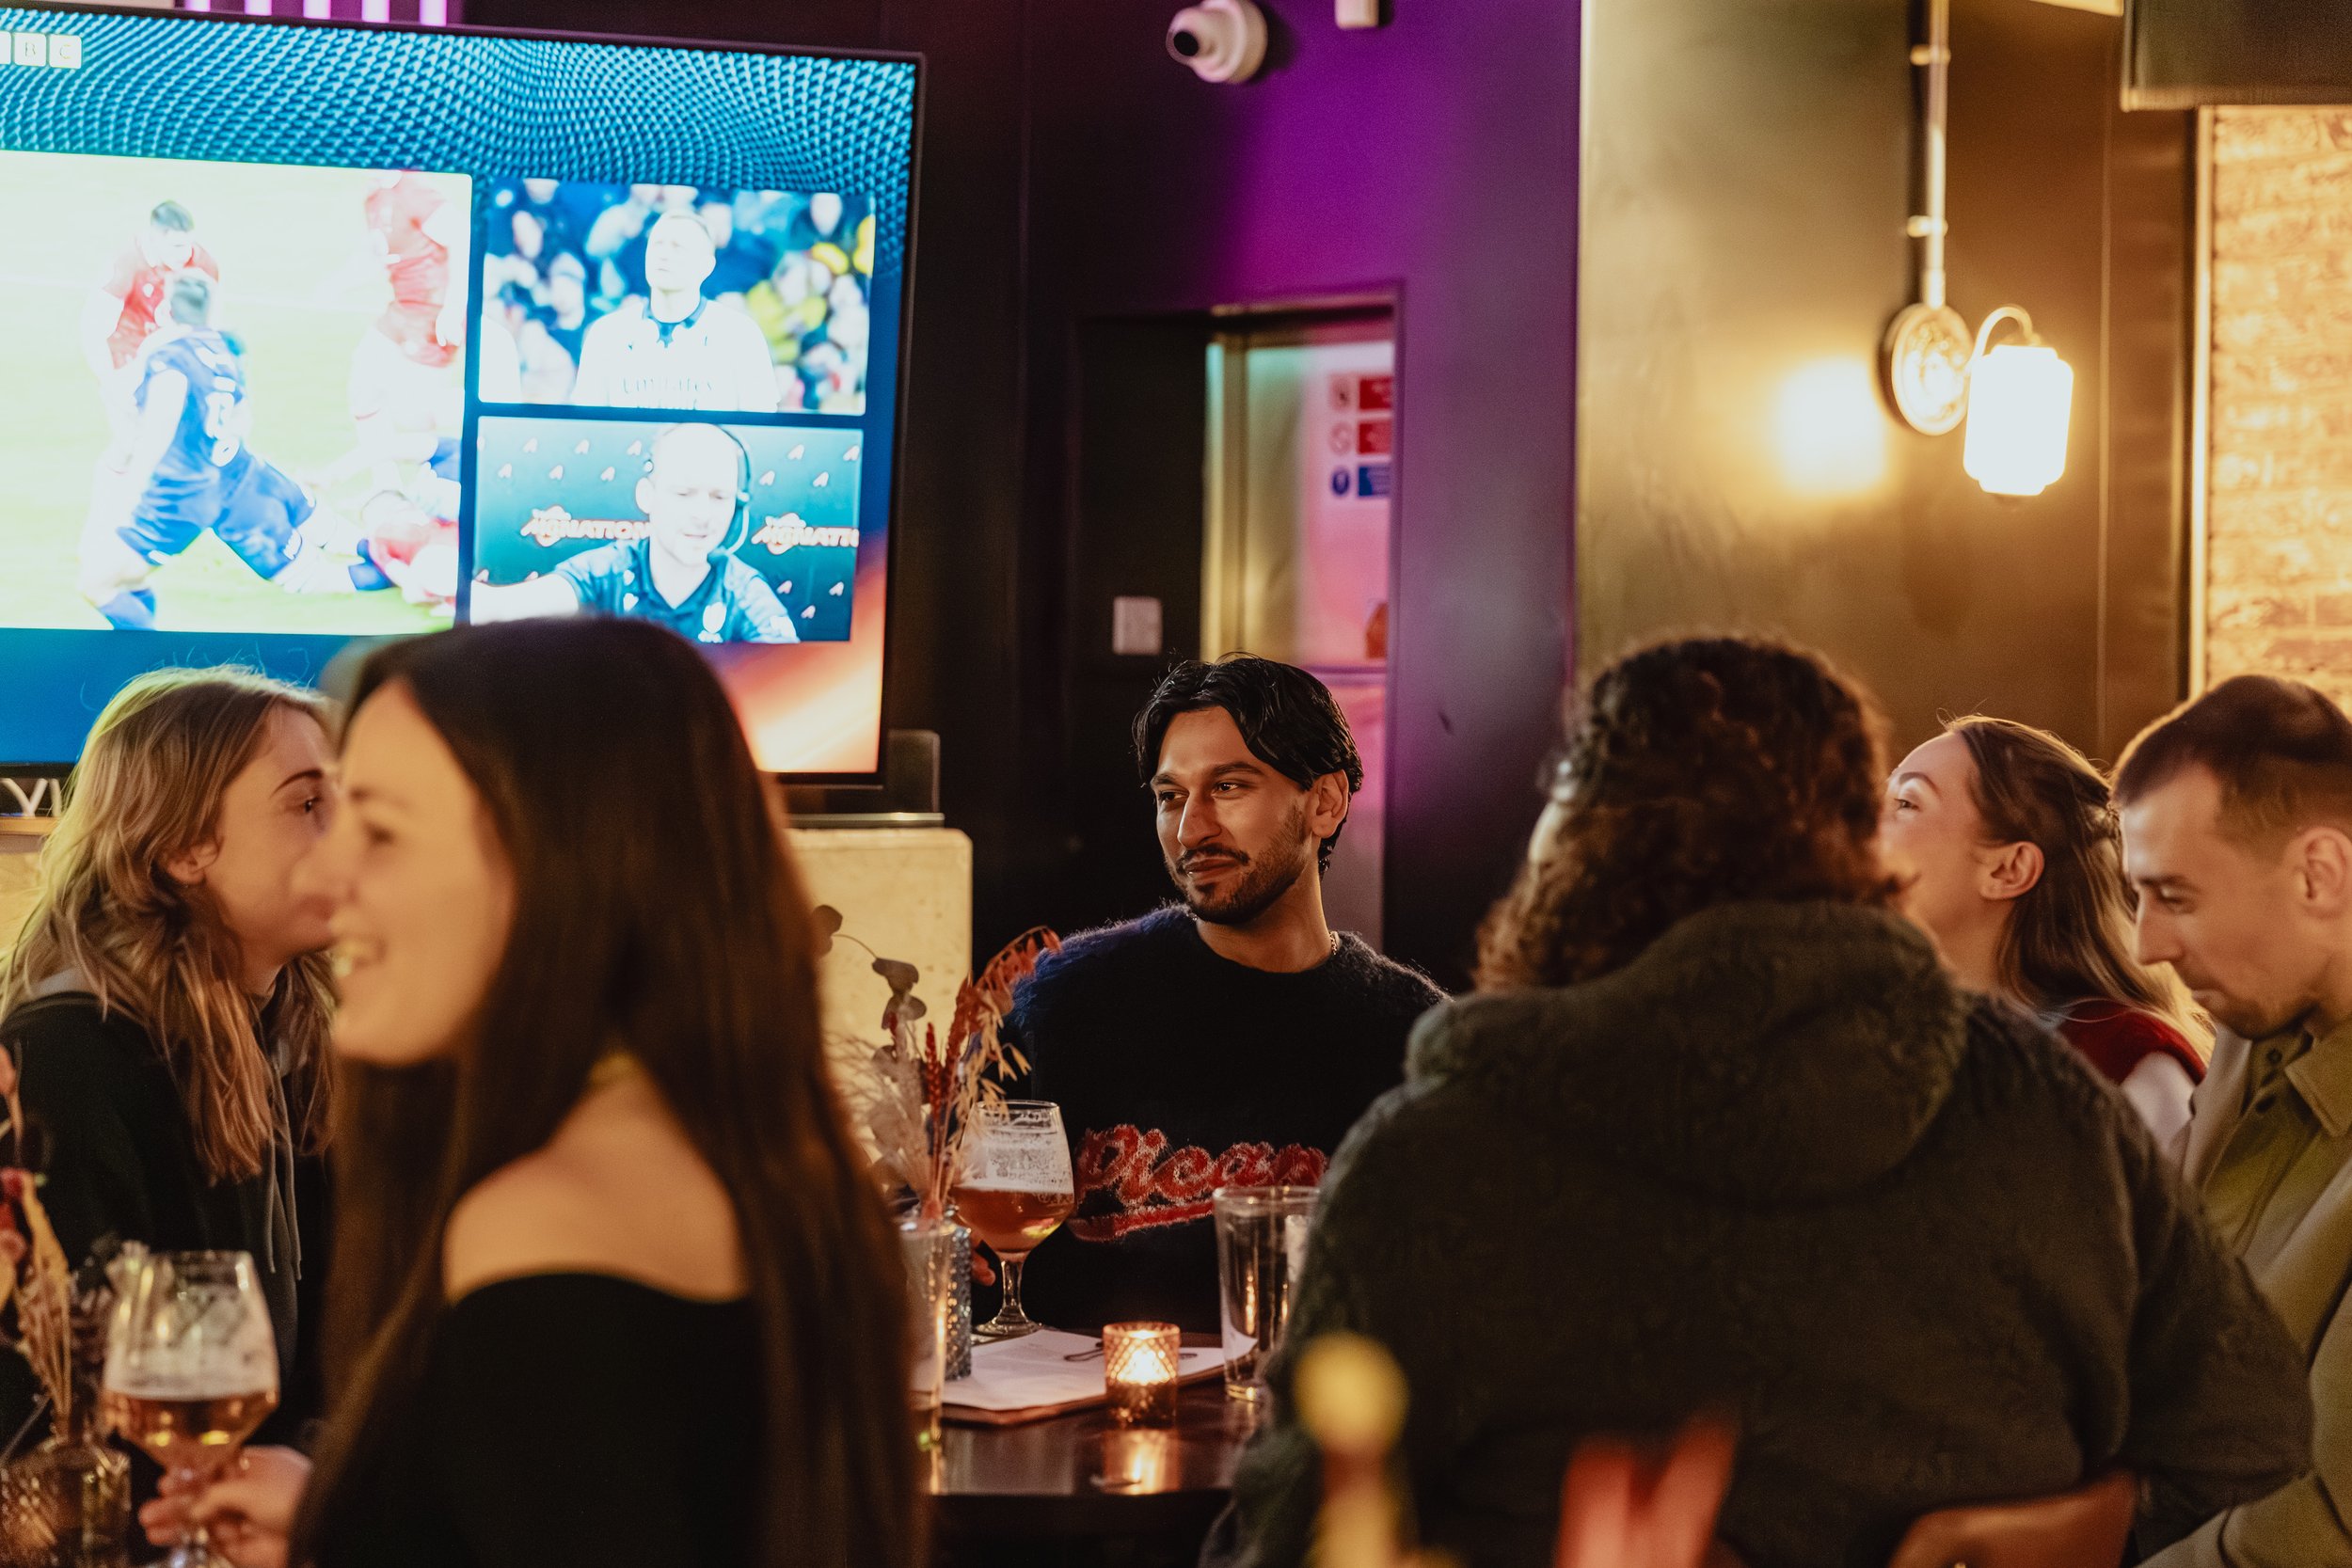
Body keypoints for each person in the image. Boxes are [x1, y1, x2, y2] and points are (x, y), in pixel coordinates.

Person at [1204, 636, 2312, 1568]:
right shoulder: (2044, 1108)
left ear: (1578, 846)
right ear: (1849, 852)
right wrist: (2077, 1524)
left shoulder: (1435, 1153)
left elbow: (1295, 1534)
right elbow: (2249, 1429)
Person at [149, 619, 917, 1568]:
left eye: (381, 826)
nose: (328, 870)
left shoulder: (547, 1221)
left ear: (559, 858)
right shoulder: (757, 1160)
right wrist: (344, 1526)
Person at [1003, 656, 1444, 1335]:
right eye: (1170, 796)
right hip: (1074, 1422)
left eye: (1229, 787)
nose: (1191, 829)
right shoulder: (1063, 1000)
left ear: (1324, 802)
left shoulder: (1413, 1038)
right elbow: (959, 1228)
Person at [0, 669, 338, 1449]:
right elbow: (53, 1404)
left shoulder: (294, 1036)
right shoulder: (61, 1057)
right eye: (308, 803)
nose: (351, 835)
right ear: (185, 845)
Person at [2115, 673, 2352, 1568]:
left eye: (2175, 895)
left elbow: (2318, 1534)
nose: (2147, 944)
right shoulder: (2257, 1035)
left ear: (2318, 873)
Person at [1880, 715, 2206, 1140]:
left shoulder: (2123, 1063)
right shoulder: (1882, 1037)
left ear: (2008, 869)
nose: (1863, 824)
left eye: (1906, 803)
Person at [76, 273, 375, 628]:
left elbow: (157, 430)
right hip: (241, 470)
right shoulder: (225, 348)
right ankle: (405, 558)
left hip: (182, 496)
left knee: (96, 584)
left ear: (166, 310)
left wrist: (129, 491)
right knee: (132, 577)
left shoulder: (170, 359)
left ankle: (145, 655)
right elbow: (241, 419)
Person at [469, 422, 799, 644]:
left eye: (720, 497)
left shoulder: (744, 592)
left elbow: (792, 677)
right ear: (647, 496)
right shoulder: (607, 570)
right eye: (683, 494)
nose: (702, 515)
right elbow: (503, 608)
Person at [571, 211, 781, 412]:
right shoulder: (606, 333)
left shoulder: (740, 334)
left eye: (678, 248)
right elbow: (586, 426)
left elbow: (760, 427)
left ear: (706, 267)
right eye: (657, 245)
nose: (663, 255)